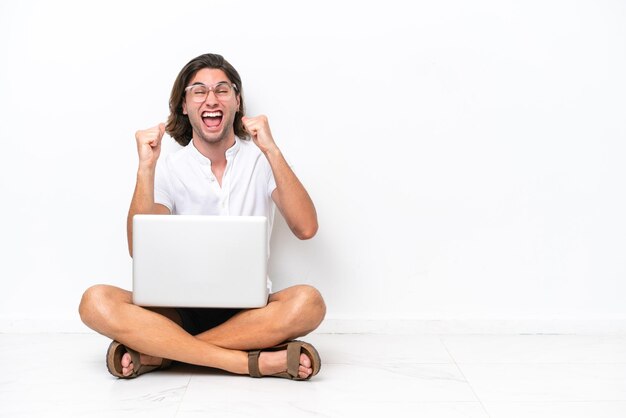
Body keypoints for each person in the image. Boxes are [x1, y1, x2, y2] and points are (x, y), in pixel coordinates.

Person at [79, 53, 326, 381]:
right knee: (94, 301)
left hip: (251, 312)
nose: (211, 98)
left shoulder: (262, 159)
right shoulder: (167, 167)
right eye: (199, 91)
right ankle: (247, 362)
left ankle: (158, 353)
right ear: (184, 105)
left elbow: (306, 227)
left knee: (309, 302)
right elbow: (138, 247)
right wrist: (146, 167)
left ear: (237, 102)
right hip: (175, 311)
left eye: (222, 90)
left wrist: (272, 149)